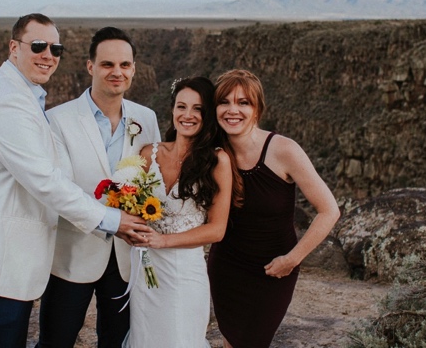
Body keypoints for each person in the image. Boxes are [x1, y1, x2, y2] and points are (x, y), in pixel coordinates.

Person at [0, 14, 152, 348]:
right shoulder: (8, 103)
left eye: (55, 48)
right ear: (13, 47)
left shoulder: (20, 94)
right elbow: (46, 181)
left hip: (2, 265)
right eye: (38, 46)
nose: (48, 55)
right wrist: (114, 220)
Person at [37, 27, 161, 348]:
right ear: (91, 67)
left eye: (124, 65)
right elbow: (59, 188)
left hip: (125, 258)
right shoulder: (57, 120)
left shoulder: (146, 119)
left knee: (118, 341)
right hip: (72, 254)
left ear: (133, 69)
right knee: (56, 341)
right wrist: (112, 220)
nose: (117, 72)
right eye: (107, 65)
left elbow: (153, 179)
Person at [206, 69, 340, 348]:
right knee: (231, 341)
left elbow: (329, 210)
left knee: (253, 341)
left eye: (244, 102)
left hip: (274, 270)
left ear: (257, 110)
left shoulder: (283, 150)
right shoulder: (211, 152)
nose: (233, 110)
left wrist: (293, 259)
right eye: (224, 102)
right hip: (226, 267)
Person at [126, 76, 235, 348]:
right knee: (145, 339)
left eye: (197, 109)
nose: (187, 115)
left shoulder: (217, 160)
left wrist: (163, 240)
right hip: (146, 269)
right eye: (181, 106)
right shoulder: (148, 153)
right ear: (172, 110)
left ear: (207, 114)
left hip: (184, 272)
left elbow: (217, 229)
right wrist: (131, 226)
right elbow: (130, 201)